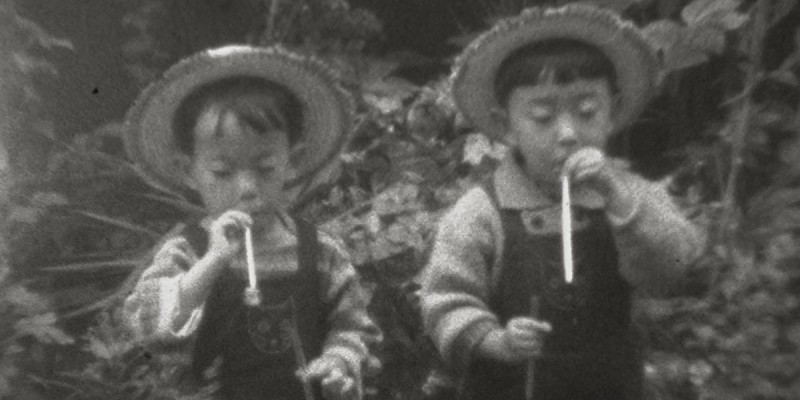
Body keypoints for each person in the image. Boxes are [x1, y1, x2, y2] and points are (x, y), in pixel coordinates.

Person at [418, 4, 706, 400]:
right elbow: (443, 301)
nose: (568, 133)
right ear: (505, 125)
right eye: (542, 116)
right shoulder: (480, 213)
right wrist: (495, 340)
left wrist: (620, 199)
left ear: (613, 112)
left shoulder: (630, 195)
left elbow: (671, 271)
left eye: (587, 111)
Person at [122, 45, 381, 400]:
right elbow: (147, 325)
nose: (247, 188)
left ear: (293, 161)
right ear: (188, 171)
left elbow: (354, 326)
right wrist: (212, 263)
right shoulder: (188, 253)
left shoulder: (321, 253)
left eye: (265, 168)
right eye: (222, 172)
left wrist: (338, 362)